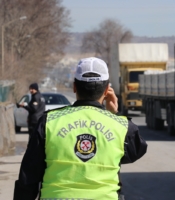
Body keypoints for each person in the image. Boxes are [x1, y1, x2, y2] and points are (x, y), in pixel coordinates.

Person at [13, 57, 148, 200]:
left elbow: (28, 178)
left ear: (74, 87)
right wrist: (114, 113)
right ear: (107, 89)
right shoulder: (120, 126)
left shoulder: (48, 122)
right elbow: (136, 151)